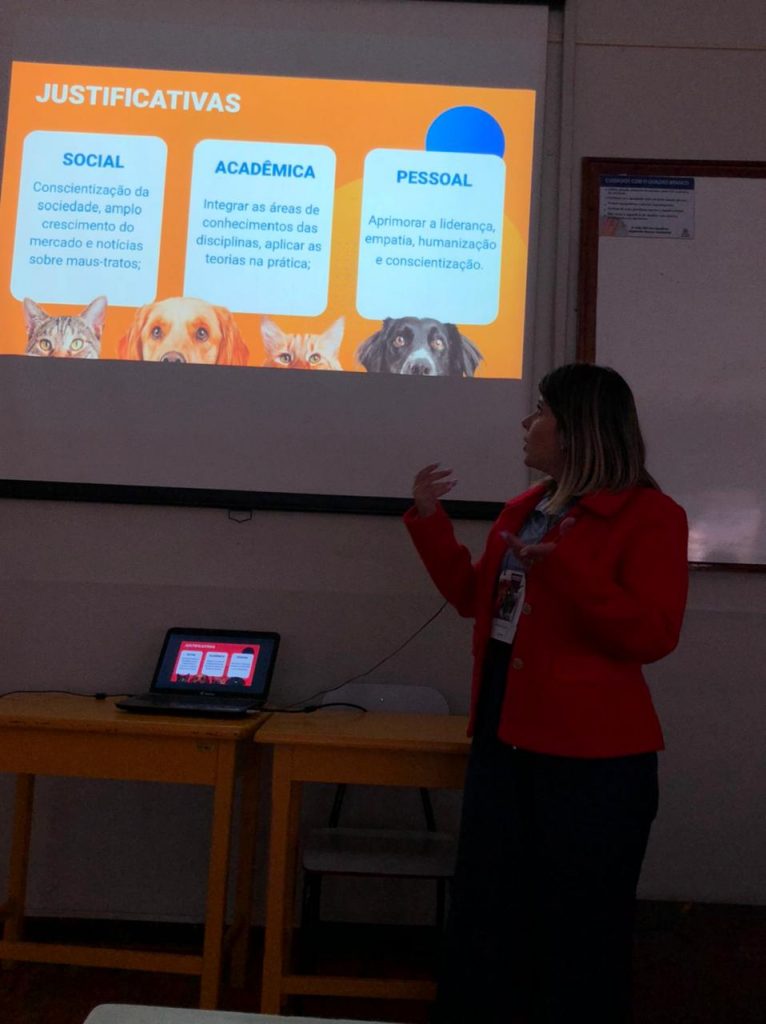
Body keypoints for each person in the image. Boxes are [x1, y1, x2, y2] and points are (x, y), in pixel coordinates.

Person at [404, 363, 689, 1024]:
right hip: (504, 746)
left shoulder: (652, 517)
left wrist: (569, 575)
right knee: (489, 922)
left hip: (593, 766)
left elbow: (653, 634)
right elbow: (474, 598)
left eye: (541, 412)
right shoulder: (525, 510)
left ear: (578, 430)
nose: (527, 424)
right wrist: (430, 522)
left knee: (580, 936)